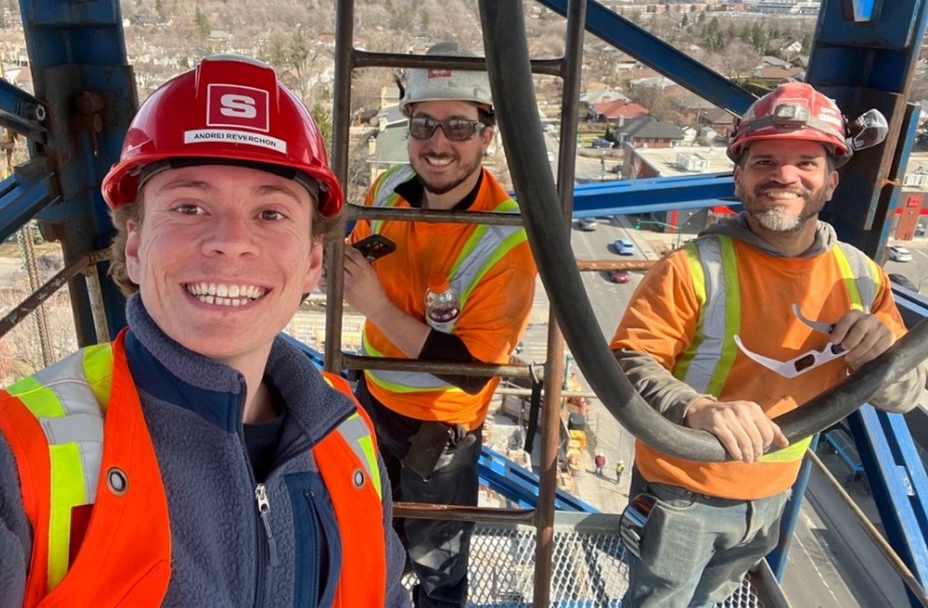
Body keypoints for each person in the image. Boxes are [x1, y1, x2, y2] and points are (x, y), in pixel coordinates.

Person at [0, 55, 409, 607]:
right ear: (134, 247)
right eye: (189, 206)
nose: (230, 241)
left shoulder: (347, 433)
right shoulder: (15, 452)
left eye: (270, 214)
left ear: (310, 263)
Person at [611, 82, 926, 608]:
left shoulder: (862, 277)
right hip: (681, 492)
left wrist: (880, 357)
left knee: (713, 600)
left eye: (806, 162)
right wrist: (699, 410)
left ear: (831, 182)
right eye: (764, 162)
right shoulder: (693, 268)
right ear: (740, 176)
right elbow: (627, 364)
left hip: (773, 489)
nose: (784, 176)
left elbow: (904, 397)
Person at [342, 41, 538, 608]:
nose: (438, 143)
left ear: (486, 136)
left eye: (458, 126)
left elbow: (475, 373)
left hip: (439, 434)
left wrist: (377, 308)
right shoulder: (387, 192)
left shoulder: (507, 239)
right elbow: (356, 258)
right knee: (369, 533)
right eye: (424, 124)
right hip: (371, 400)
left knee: (436, 565)